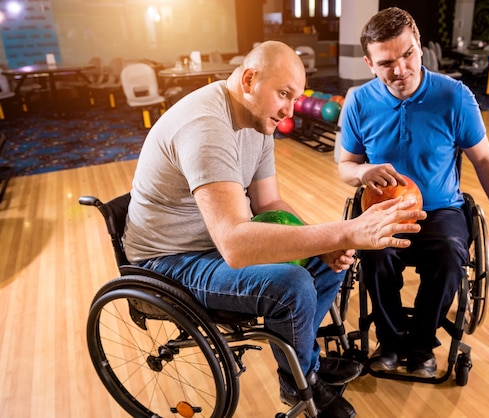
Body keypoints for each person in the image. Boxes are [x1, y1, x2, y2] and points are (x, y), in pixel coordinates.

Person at [123, 41, 425, 418]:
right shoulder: (206, 126)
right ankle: (300, 380)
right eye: (283, 94)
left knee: (329, 262)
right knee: (293, 285)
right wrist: (345, 232)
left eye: (295, 98)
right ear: (249, 79)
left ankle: (302, 365)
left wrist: (328, 244)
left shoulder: (255, 120)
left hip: (214, 240)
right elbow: (235, 244)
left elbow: (268, 206)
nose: (289, 110)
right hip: (170, 259)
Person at [338, 7, 489, 378]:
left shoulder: (454, 97)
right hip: (385, 209)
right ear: (370, 63)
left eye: (408, 54)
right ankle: (390, 341)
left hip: (440, 210)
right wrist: (361, 171)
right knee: (374, 257)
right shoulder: (359, 100)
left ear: (419, 45)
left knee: (451, 255)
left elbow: (485, 160)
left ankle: (421, 344)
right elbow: (345, 166)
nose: (401, 69)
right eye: (387, 62)